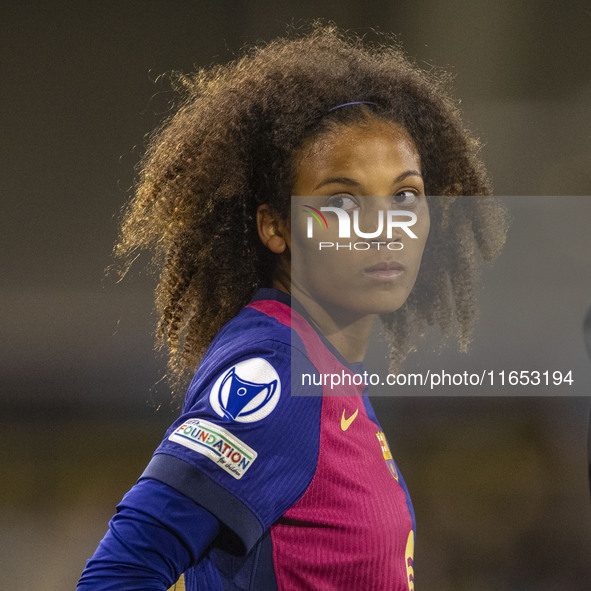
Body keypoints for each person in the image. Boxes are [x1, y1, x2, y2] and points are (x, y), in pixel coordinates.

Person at [77, 24, 508, 591]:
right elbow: (119, 575)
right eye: (342, 201)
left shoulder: (322, 369)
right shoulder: (275, 374)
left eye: (404, 195)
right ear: (276, 226)